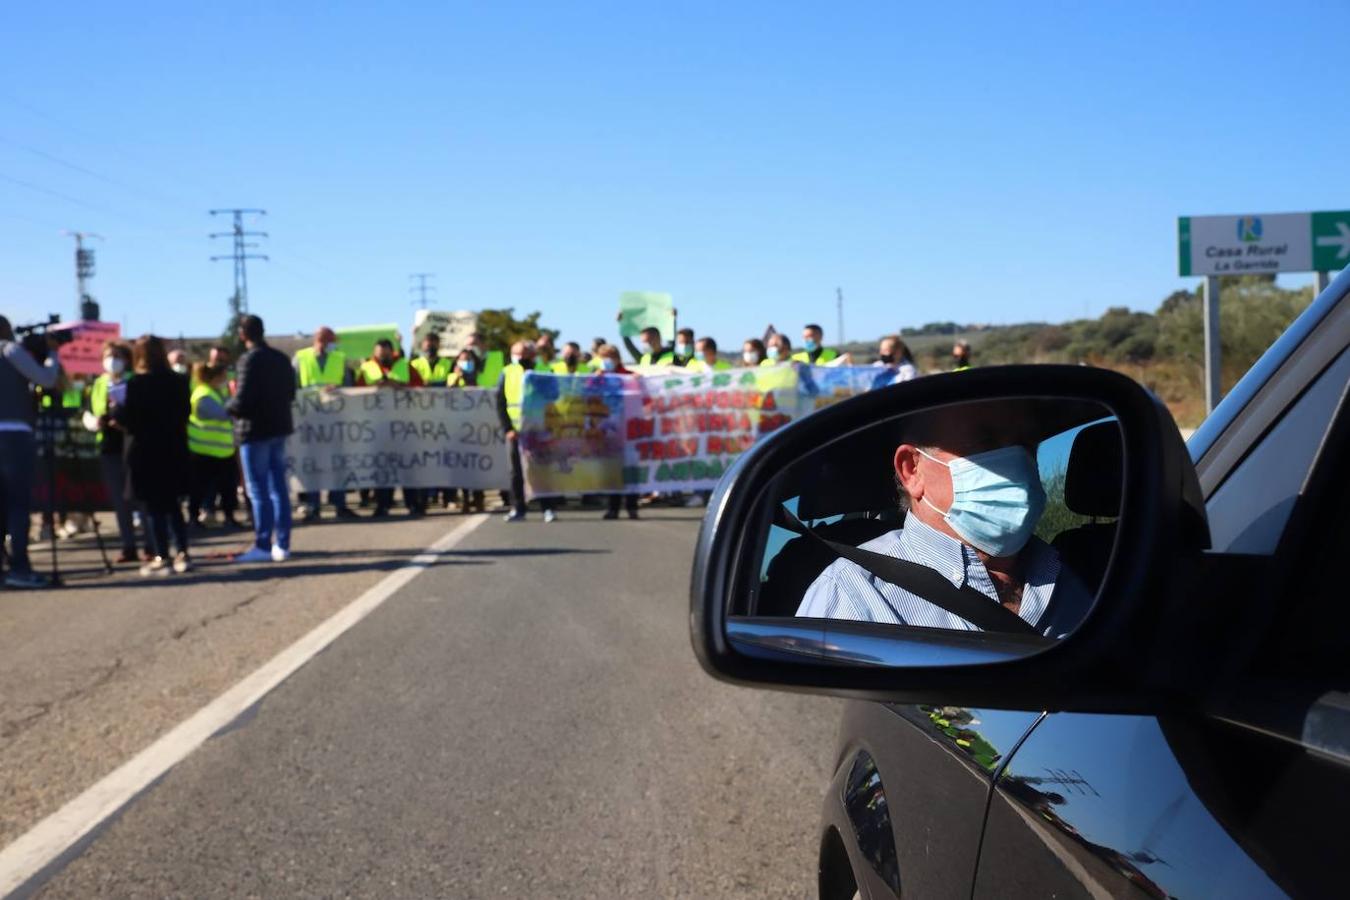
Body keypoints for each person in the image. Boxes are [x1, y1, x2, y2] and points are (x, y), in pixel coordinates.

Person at [795, 405, 1092, 635]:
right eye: (984, 442)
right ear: (912, 470)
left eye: (1025, 444)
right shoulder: (852, 593)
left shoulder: (1083, 577)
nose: (1015, 461)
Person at [112, 335, 192, 576]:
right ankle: (183, 551)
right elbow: (186, 413)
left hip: (145, 451)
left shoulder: (135, 384)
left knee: (153, 508)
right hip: (173, 448)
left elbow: (126, 420)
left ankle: (161, 555)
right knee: (173, 505)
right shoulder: (178, 382)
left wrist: (116, 411)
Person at [227, 314, 296, 563]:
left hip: (254, 431)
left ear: (243, 334)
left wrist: (228, 406)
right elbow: (290, 392)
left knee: (258, 491)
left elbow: (242, 400)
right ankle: (283, 543)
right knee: (279, 488)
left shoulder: (248, 360)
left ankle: (263, 543)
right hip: (278, 427)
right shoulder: (280, 358)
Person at [0, 315, 63, 588]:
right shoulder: (9, 350)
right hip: (14, 435)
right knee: (17, 504)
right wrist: (52, 354)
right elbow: (47, 379)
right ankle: (20, 568)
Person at [82, 341, 143, 563]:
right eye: (109, 355)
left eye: (118, 355)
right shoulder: (98, 383)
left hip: (131, 444)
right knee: (119, 501)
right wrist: (94, 422)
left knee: (138, 497)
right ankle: (128, 545)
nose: (113, 360)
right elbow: (87, 412)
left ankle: (150, 544)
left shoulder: (134, 381)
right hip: (108, 446)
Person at [293, 326, 356, 521]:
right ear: (320, 339)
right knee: (313, 464)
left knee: (337, 463)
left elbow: (349, 386)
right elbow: (293, 386)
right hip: (309, 419)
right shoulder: (300, 358)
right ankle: (313, 505)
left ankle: (339, 503)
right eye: (331, 340)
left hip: (334, 419)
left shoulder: (339, 358)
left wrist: (338, 388)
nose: (333, 343)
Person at [357, 339, 421, 516]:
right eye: (379, 354)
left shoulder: (405, 367)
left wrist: (399, 386)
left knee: (407, 466)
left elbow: (421, 388)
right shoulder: (366, 368)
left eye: (385, 353)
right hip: (378, 426)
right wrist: (375, 388)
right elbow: (356, 392)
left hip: (404, 426)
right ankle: (383, 504)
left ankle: (412, 503)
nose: (382, 357)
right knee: (382, 467)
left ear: (392, 352)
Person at [499, 340, 558, 523]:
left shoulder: (544, 370)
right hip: (516, 430)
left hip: (539, 428)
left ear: (533, 355)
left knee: (542, 469)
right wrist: (508, 428)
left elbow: (554, 395)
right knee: (515, 472)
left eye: (524, 353)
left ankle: (547, 508)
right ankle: (518, 508)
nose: (520, 357)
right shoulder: (507, 372)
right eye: (516, 353)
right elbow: (500, 402)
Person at [187, 363, 240, 530]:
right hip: (203, 450)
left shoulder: (217, 392)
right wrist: (235, 405)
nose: (226, 380)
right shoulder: (202, 395)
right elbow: (223, 414)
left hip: (223, 450)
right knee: (199, 487)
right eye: (224, 376)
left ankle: (229, 516)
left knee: (228, 487)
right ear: (215, 377)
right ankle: (194, 518)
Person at [593, 344, 640, 521]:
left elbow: (643, 396)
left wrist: (638, 381)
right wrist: (594, 380)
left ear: (617, 358)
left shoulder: (628, 376)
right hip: (609, 431)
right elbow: (587, 394)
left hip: (628, 429)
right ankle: (613, 508)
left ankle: (632, 506)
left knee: (630, 470)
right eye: (603, 357)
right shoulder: (598, 377)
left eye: (610, 357)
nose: (606, 361)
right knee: (612, 469)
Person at [445, 349, 486, 513]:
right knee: (462, 464)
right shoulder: (452, 377)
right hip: (458, 426)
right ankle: (464, 498)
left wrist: (470, 379)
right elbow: (448, 393)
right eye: (462, 360)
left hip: (477, 425)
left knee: (476, 464)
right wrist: (457, 377)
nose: (465, 362)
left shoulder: (480, 376)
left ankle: (478, 497)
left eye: (469, 359)